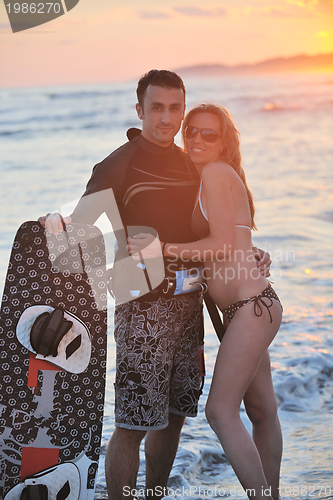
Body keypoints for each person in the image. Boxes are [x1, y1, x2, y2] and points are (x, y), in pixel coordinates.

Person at [40, 72, 272, 500]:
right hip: (142, 307)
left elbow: (221, 226)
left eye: (174, 108)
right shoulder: (119, 164)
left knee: (174, 415)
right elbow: (80, 232)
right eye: (157, 108)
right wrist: (55, 222)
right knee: (132, 424)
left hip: (191, 303)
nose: (167, 118)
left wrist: (250, 252)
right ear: (140, 111)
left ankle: (156, 495)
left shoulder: (190, 161)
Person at [128, 104, 283, 500]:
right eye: (191, 131)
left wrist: (161, 248)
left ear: (224, 140)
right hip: (249, 308)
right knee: (262, 411)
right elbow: (238, 240)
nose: (196, 139)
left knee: (220, 412)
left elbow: (223, 243)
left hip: (250, 308)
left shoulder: (215, 173)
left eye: (208, 134)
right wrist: (255, 252)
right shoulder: (215, 176)